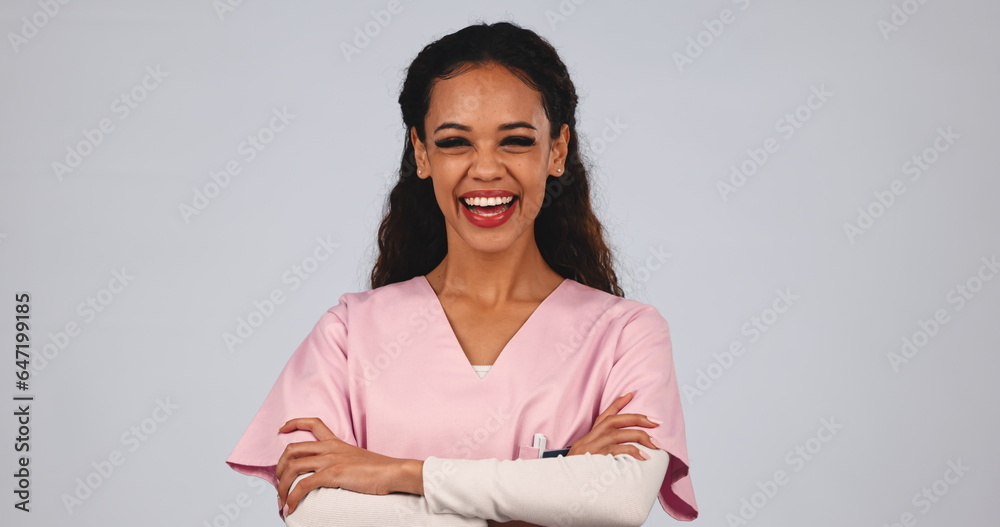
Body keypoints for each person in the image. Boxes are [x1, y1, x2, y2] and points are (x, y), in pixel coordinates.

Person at [225, 21, 698, 526]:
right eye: (455, 143)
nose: (487, 169)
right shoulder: (348, 335)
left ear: (556, 151)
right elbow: (320, 511)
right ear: (422, 154)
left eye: (515, 141)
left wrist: (398, 473)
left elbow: (615, 500)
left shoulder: (627, 334)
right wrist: (554, 480)